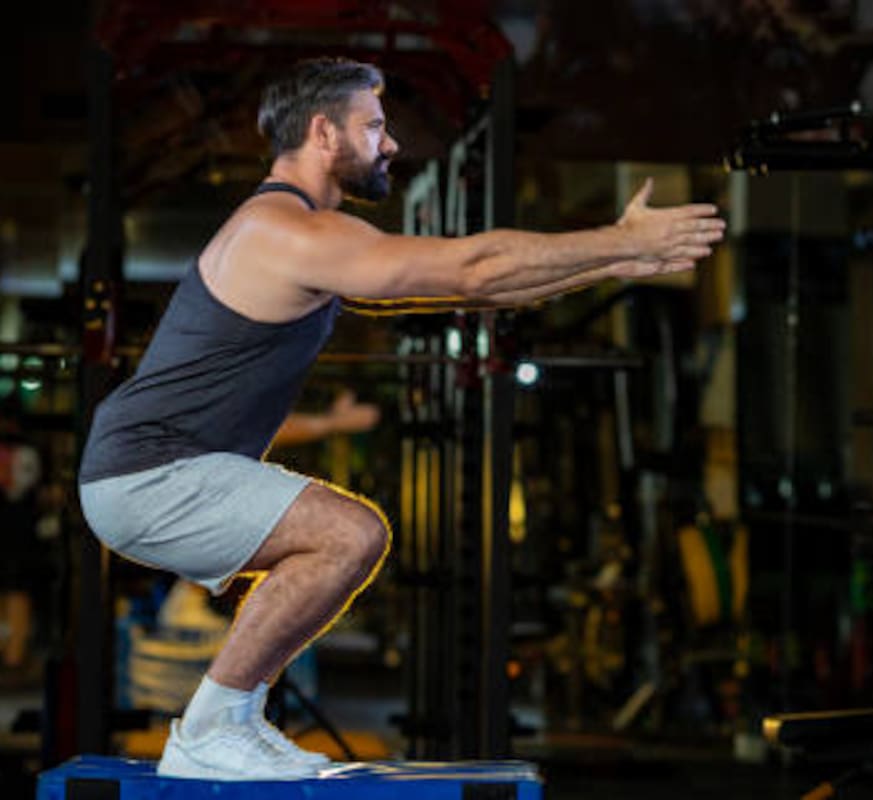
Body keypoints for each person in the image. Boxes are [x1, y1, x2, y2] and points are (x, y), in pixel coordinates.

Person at [77, 57, 725, 781]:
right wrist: (622, 239)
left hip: (151, 471)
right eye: (374, 127)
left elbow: (473, 291)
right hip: (148, 473)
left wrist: (608, 267)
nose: (390, 144)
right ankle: (211, 729)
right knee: (348, 534)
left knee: (338, 539)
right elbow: (475, 267)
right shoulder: (285, 231)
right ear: (324, 133)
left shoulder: (302, 230)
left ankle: (225, 723)